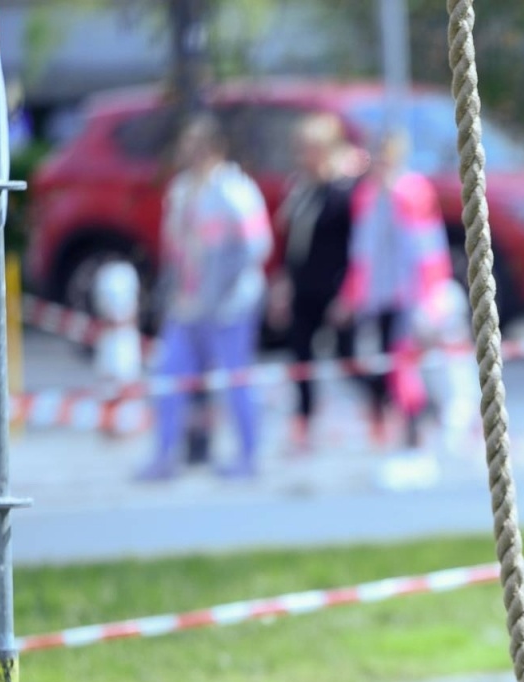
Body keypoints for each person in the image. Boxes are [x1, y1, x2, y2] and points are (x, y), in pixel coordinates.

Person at [137, 114, 273, 481]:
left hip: (229, 305)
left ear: (215, 148)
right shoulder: (181, 191)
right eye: (187, 146)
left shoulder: (235, 190)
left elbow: (255, 246)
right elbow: (175, 251)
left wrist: (218, 291)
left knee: (235, 379)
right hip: (188, 304)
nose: (191, 154)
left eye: (199, 146)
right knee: (168, 377)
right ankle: (164, 455)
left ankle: (249, 455)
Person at [337, 131, 453, 453]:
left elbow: (427, 246)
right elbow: (361, 251)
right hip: (378, 295)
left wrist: (432, 296)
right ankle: (396, 415)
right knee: (377, 360)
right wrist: (350, 295)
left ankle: (412, 424)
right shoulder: (366, 196)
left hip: (411, 293)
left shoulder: (412, 190)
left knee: (403, 360)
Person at [270, 112, 356, 455]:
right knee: (300, 356)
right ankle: (304, 422)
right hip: (304, 287)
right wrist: (282, 284)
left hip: (334, 288)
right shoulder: (300, 191)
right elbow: (290, 243)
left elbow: (354, 249)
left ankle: (389, 405)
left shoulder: (343, 192)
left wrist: (348, 296)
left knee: (348, 358)